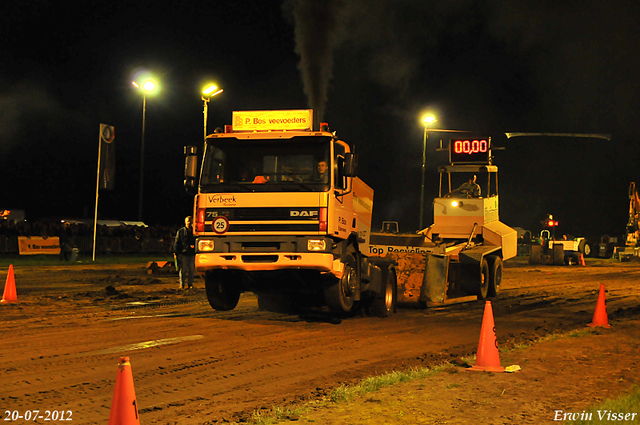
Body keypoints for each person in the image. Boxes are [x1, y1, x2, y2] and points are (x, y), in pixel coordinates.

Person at [172, 216, 196, 290]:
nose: (189, 223)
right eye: (188, 221)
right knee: (183, 270)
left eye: (190, 221)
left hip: (192, 253)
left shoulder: (194, 232)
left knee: (191, 270)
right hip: (184, 253)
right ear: (185, 222)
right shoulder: (181, 232)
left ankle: (190, 284)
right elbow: (177, 242)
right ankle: (182, 285)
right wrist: (175, 252)